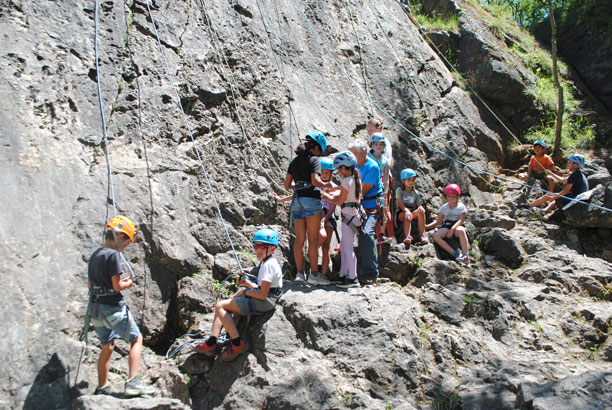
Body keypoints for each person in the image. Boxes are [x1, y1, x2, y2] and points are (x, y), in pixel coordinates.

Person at [88, 216, 156, 396]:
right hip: (112, 307)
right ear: (120, 237)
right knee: (136, 339)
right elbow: (117, 286)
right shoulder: (113, 255)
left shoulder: (95, 255)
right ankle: (133, 382)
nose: (125, 247)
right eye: (126, 243)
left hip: (95, 310)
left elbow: (90, 285)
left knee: (107, 345)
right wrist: (128, 283)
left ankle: (102, 387)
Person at [193, 228, 283, 361]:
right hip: (267, 300)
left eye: (262, 246)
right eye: (256, 246)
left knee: (220, 307)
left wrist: (245, 292)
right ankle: (211, 343)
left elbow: (263, 295)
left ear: (272, 248)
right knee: (223, 306)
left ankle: (237, 344)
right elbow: (263, 289)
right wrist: (246, 284)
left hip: (264, 303)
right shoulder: (268, 263)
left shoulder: (268, 266)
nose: (258, 249)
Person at [283, 131, 336, 285]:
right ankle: (314, 275)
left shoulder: (295, 162)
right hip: (312, 200)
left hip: (297, 201)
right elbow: (315, 180)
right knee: (312, 241)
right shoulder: (315, 160)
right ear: (318, 148)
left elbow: (287, 185)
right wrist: (327, 185)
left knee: (300, 239)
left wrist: (299, 184)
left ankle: (300, 274)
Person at [273, 157, 337, 282]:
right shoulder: (315, 183)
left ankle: (320, 273)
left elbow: (333, 206)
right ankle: (310, 268)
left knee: (324, 246)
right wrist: (281, 199)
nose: (324, 174)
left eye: (327, 172)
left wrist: (325, 219)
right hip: (316, 213)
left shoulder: (330, 185)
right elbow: (296, 193)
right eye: (322, 172)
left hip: (326, 215)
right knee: (316, 238)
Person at [324, 151, 362, 288]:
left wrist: (325, 196)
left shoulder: (346, 181)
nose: (338, 173)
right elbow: (344, 194)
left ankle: (352, 277)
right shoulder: (355, 179)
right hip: (354, 216)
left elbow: (340, 201)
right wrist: (332, 193)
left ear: (344, 168)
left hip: (348, 217)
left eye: (339, 170)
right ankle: (343, 274)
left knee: (347, 248)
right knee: (345, 248)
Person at [349, 141, 384, 284]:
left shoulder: (373, 167)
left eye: (354, 154)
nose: (351, 157)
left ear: (363, 153)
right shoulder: (353, 165)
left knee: (366, 232)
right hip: (357, 203)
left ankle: (371, 272)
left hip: (370, 204)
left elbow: (362, 190)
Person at [518, 154, 588, 215]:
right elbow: (562, 180)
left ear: (575, 165)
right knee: (555, 196)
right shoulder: (577, 174)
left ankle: (528, 206)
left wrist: (554, 197)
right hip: (576, 198)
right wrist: (551, 173)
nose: (567, 164)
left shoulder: (574, 175)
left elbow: (566, 190)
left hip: (575, 199)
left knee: (549, 195)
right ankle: (544, 211)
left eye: (569, 162)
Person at [425, 184, 470, 263]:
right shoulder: (444, 207)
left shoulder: (461, 207)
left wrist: (452, 230)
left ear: (457, 197)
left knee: (461, 231)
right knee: (436, 236)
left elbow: (461, 220)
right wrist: (426, 227)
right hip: (447, 225)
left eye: (453, 196)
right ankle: (454, 253)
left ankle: (465, 254)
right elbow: (438, 221)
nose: (451, 198)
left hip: (457, 225)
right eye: (449, 196)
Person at [366, 118, 395, 241]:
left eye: (380, 144)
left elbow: (386, 176)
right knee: (371, 210)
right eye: (376, 144)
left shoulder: (384, 160)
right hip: (369, 184)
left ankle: (382, 234)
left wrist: (385, 189)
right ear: (372, 145)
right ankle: (372, 234)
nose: (378, 146)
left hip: (380, 186)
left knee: (382, 210)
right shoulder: (368, 157)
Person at [396, 168, 428, 245]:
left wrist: (421, 208)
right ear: (403, 181)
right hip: (402, 211)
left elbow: (418, 204)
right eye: (409, 180)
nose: (411, 182)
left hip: (411, 210)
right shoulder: (399, 190)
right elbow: (400, 203)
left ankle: (422, 235)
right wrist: (406, 210)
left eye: (413, 180)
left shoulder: (415, 192)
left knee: (420, 212)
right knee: (408, 215)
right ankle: (407, 236)